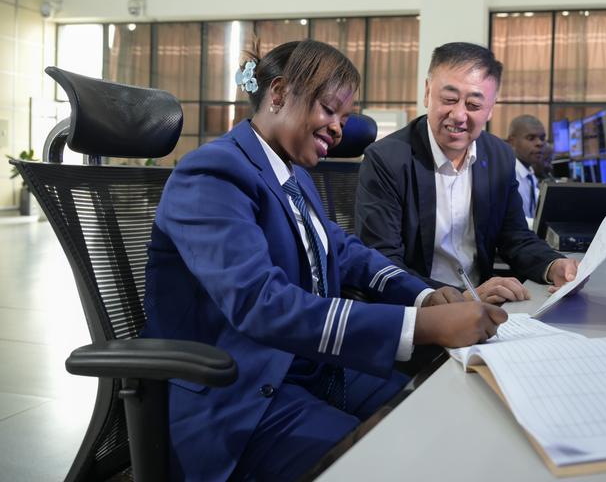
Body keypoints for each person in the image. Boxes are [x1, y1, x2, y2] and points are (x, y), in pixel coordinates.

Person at [142, 39, 507, 482]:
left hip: (307, 367)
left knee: (438, 411)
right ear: (279, 93)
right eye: (330, 110)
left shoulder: (293, 175)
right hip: (243, 396)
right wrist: (419, 325)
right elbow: (261, 303)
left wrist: (425, 296)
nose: (337, 129)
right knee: (391, 461)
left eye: (345, 119)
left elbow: (346, 252)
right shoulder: (213, 173)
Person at [355, 42, 578, 305]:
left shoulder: (499, 156)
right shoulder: (387, 159)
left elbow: (515, 237)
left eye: (473, 104)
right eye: (449, 99)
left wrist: (554, 266)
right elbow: (383, 262)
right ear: (427, 93)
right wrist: (462, 298)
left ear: (490, 108)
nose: (459, 115)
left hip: (482, 306)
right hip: (418, 307)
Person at [506, 114, 547, 219]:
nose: (540, 143)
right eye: (531, 138)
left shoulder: (529, 172)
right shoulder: (507, 175)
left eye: (542, 138)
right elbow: (513, 221)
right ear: (512, 142)